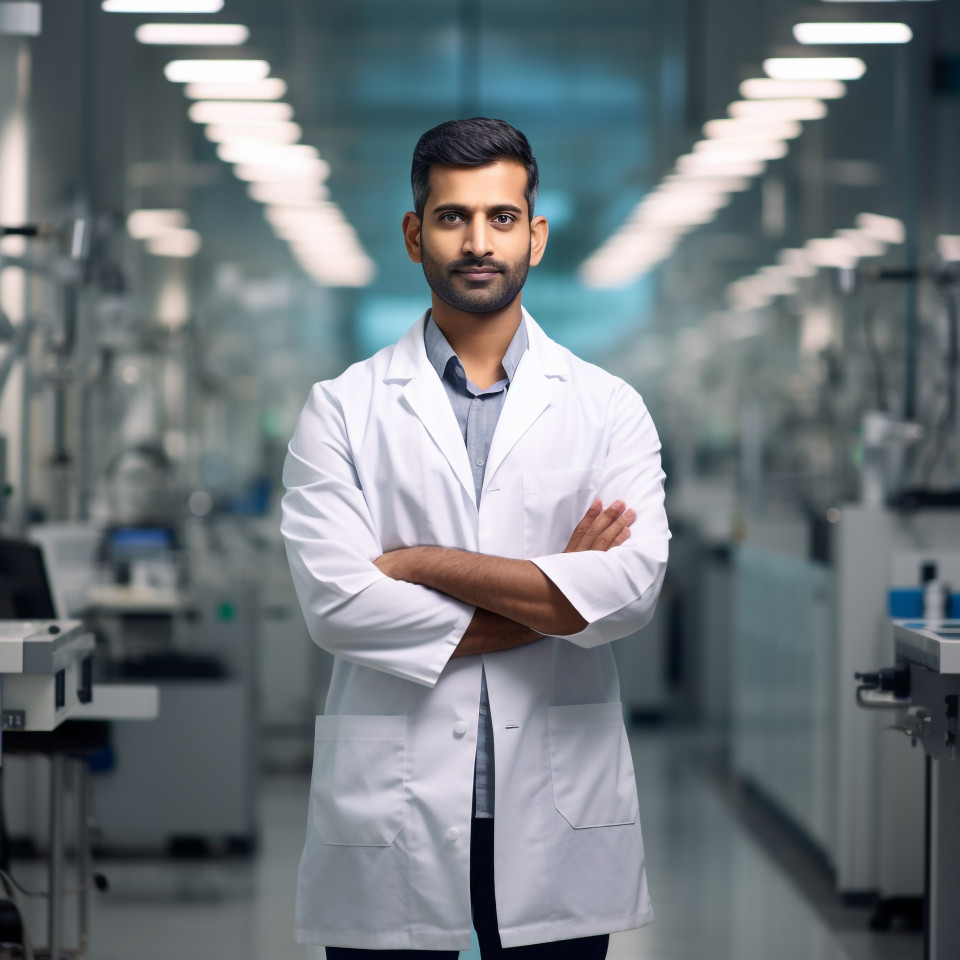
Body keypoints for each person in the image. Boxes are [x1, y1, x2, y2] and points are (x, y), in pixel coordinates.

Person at [281, 117, 670, 959]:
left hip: (555, 807)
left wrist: (421, 566)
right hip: (395, 800)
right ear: (416, 233)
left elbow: (631, 589)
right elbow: (339, 606)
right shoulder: (342, 408)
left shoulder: (607, 408)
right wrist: (558, 593)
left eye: (501, 217)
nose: (478, 241)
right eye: (453, 217)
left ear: (535, 234)